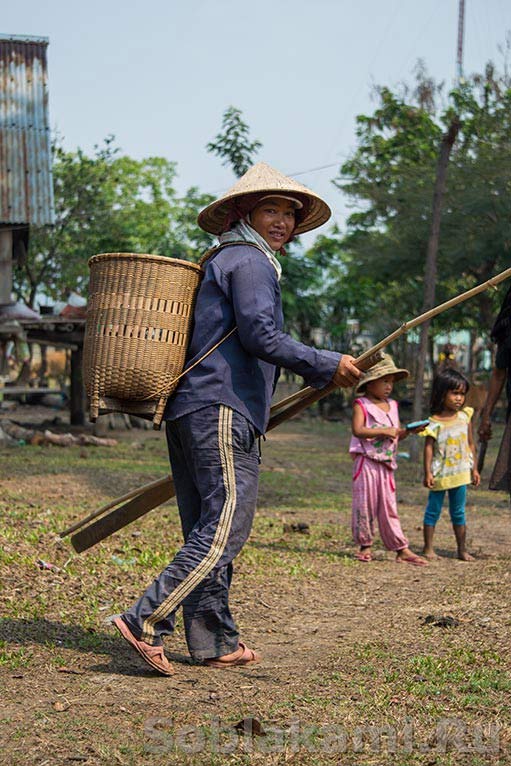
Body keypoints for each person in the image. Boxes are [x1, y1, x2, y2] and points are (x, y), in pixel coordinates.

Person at [112, 162, 362, 675]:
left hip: (193, 409)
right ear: (246, 211)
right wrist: (326, 363)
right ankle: (144, 619)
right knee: (226, 526)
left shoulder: (226, 257)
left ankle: (212, 640)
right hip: (221, 408)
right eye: (271, 209)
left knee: (207, 528)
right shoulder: (250, 260)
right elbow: (260, 336)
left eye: (290, 214)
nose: (282, 222)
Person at [349, 354, 428, 566]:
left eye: (391, 382)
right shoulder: (361, 404)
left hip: (386, 463)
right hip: (366, 462)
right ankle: (365, 544)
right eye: (385, 380)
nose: (389, 386)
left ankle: (400, 548)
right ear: (370, 382)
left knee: (388, 506)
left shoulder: (392, 405)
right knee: (364, 505)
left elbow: (396, 433)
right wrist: (384, 430)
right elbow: (357, 430)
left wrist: (408, 431)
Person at [422, 368, 480, 561]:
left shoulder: (465, 418)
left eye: (462, 394)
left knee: (459, 512)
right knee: (433, 511)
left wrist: (475, 468)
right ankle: (428, 548)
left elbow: (471, 444)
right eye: (455, 393)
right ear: (441, 393)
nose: (459, 398)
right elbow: (428, 449)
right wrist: (427, 472)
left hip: (461, 473)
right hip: (440, 474)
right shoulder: (433, 423)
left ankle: (462, 549)